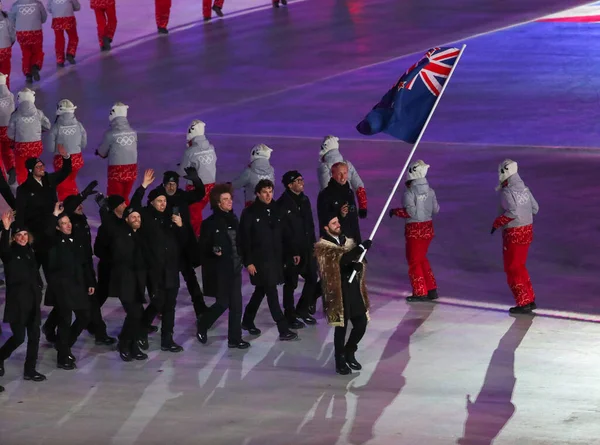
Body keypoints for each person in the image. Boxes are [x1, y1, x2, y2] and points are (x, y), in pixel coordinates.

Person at [133, 170, 187, 353]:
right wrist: (143, 186)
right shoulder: (145, 217)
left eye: (164, 201)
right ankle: (140, 329)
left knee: (170, 305)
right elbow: (132, 206)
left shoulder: (170, 218)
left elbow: (182, 242)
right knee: (157, 302)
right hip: (154, 270)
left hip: (171, 269)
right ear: (151, 202)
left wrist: (180, 227)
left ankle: (167, 339)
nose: (163, 204)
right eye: (159, 201)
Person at [98, 179, 152, 362]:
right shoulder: (116, 229)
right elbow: (106, 233)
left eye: (137, 217)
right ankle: (124, 342)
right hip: (123, 280)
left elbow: (135, 207)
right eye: (133, 217)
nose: (136, 219)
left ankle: (132, 345)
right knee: (135, 313)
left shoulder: (137, 232)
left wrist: (142, 188)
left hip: (137, 280)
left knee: (137, 313)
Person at [240, 179, 297, 341]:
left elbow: (284, 235)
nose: (268, 195)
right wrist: (248, 262)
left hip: (275, 260)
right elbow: (244, 240)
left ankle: (247, 320)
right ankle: (283, 328)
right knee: (271, 293)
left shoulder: (277, 210)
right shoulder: (249, 213)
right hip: (259, 262)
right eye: (264, 192)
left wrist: (290, 253)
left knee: (261, 291)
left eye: (270, 191)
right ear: (258, 193)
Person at [314, 213, 371, 375]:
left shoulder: (348, 241)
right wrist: (360, 249)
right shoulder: (323, 247)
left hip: (352, 289)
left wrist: (357, 267)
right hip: (338, 292)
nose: (338, 225)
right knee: (341, 327)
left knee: (361, 323)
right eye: (333, 223)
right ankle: (339, 360)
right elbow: (337, 262)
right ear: (326, 228)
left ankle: (350, 351)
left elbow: (352, 261)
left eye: (338, 221)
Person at [196, 184, 250, 349]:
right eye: (225, 199)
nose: (229, 202)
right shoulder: (210, 223)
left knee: (237, 305)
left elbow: (239, 242)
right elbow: (202, 247)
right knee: (223, 303)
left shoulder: (234, 219)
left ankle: (235, 339)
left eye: (230, 199)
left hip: (235, 268)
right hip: (220, 270)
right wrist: (213, 250)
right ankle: (203, 323)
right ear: (218, 203)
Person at [44, 202, 95, 369]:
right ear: (58, 228)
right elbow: (47, 234)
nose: (68, 225)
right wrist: (53, 216)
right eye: (64, 223)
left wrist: (90, 282)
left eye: (68, 222)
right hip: (62, 288)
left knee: (84, 316)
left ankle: (64, 345)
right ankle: (63, 356)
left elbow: (85, 262)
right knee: (64, 322)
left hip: (78, 286)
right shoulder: (54, 242)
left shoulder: (76, 240)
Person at [0, 211, 46, 382]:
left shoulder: (29, 251)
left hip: (32, 302)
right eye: (18, 235)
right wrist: (6, 229)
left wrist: (39, 287)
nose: (22, 237)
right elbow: (3, 250)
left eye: (25, 234)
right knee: (19, 338)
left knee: (34, 337)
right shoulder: (10, 253)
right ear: (13, 238)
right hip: (17, 303)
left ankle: (30, 370)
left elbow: (35, 273)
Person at [156, 169, 208, 318]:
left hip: (183, 246)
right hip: (167, 249)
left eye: (174, 184)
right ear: (164, 184)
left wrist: (196, 180)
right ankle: (161, 308)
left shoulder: (182, 196)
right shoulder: (158, 198)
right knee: (165, 281)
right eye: (169, 184)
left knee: (191, 279)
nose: (171, 187)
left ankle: (200, 308)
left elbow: (200, 194)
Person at [491, 159, 539, 314]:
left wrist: (497, 223)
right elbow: (535, 208)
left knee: (512, 268)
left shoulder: (507, 191)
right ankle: (529, 298)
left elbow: (512, 212)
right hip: (527, 230)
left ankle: (523, 301)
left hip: (513, 233)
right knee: (520, 265)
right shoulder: (525, 189)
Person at [389, 160, 440, 302]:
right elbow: (436, 209)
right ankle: (431, 288)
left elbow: (410, 213)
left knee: (414, 261)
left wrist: (396, 211)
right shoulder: (431, 191)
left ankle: (420, 291)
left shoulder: (409, 193)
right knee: (422, 258)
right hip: (428, 228)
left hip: (414, 231)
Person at [16, 145, 71, 273]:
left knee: (55, 256)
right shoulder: (23, 189)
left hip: (53, 225)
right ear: (31, 170)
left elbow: (65, 172)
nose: (42, 168)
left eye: (42, 165)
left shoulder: (49, 179)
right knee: (40, 258)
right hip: (38, 230)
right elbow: (21, 212)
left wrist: (66, 157)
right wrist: (21, 232)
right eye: (38, 167)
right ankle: (35, 281)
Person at [277, 170, 318, 327]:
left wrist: (314, 244)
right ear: (289, 184)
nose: (302, 182)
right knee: (291, 284)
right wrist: (292, 252)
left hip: (307, 247)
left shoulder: (305, 200)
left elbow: (310, 224)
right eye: (298, 180)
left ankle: (301, 309)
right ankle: (289, 315)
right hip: (292, 251)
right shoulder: (282, 204)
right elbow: (283, 232)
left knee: (312, 279)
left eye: (302, 179)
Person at [89, 193, 126, 340]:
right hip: (108, 268)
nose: (125, 206)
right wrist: (112, 258)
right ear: (116, 207)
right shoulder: (107, 226)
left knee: (124, 295)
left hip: (119, 268)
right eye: (122, 204)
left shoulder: (122, 222)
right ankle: (90, 320)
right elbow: (98, 249)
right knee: (102, 294)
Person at [178, 119, 216, 238]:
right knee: (197, 211)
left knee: (194, 214)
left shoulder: (190, 151)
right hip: (211, 187)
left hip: (196, 187)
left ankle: (196, 238)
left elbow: (181, 171)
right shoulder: (211, 147)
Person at [95, 102, 138, 203]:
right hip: (131, 170)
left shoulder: (110, 134)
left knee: (114, 198)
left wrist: (98, 152)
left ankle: (114, 217)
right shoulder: (134, 132)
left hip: (116, 170)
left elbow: (102, 152)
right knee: (125, 196)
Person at [7, 88, 51, 184]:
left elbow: (10, 134)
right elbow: (47, 126)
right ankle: (36, 185)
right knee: (34, 165)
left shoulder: (15, 115)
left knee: (21, 168)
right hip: (36, 146)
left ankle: (24, 189)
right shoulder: (39, 113)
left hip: (21, 146)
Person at [317, 135, 368, 219]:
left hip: (333, 211)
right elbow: (359, 186)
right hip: (349, 203)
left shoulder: (324, 167)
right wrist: (363, 207)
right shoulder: (347, 164)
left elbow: (325, 190)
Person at [48, 99, 87, 201]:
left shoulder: (56, 127)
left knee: (63, 184)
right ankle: (75, 200)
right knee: (70, 180)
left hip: (61, 160)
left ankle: (67, 204)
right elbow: (84, 143)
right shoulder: (79, 125)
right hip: (76, 159)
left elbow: (51, 147)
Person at [317, 162, 362, 243]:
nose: (343, 177)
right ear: (332, 175)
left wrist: (358, 241)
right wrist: (341, 215)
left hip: (352, 241)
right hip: (337, 243)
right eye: (339, 174)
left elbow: (354, 220)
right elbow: (324, 221)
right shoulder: (325, 194)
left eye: (345, 173)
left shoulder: (349, 192)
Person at [9, 0, 47, 83]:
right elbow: (44, 18)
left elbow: (11, 21)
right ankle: (36, 66)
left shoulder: (15, 5)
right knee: (37, 51)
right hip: (36, 31)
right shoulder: (38, 4)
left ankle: (27, 73)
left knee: (26, 53)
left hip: (22, 33)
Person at [232, 144, 275, 208]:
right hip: (268, 204)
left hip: (252, 206)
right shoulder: (271, 171)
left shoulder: (249, 172)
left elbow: (236, 185)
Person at [47, 0, 80, 66]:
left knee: (59, 39)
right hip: (68, 17)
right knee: (73, 37)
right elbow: (77, 6)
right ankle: (70, 53)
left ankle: (60, 59)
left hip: (56, 18)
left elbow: (49, 8)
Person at [0, 73, 15, 183]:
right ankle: (11, 168)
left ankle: (2, 178)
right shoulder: (10, 95)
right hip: (8, 128)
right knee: (7, 151)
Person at [0, 7, 16, 89]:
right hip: (5, 48)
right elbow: (12, 34)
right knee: (5, 72)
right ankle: (5, 93)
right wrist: (10, 43)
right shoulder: (6, 18)